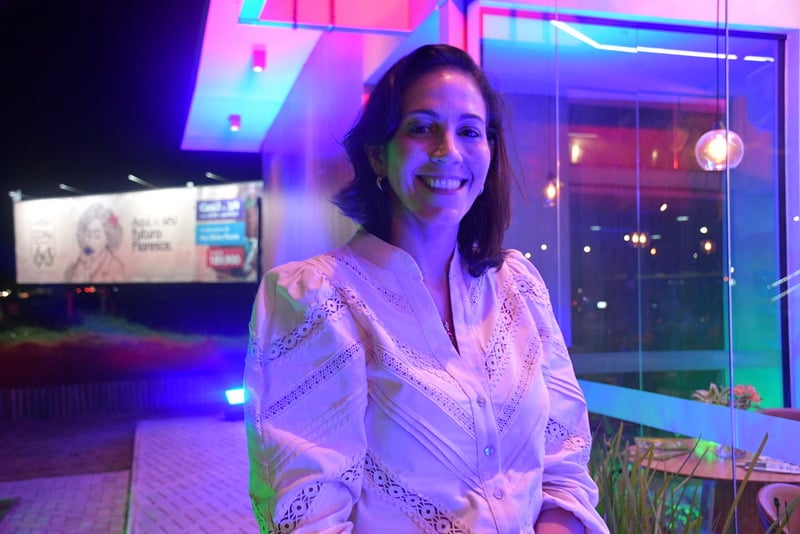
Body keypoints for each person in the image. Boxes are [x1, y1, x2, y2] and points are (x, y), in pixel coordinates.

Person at [244, 43, 609, 533]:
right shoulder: (316, 298)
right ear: (378, 155)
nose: (448, 151)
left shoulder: (519, 286)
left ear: (489, 152)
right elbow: (308, 519)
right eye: (422, 128)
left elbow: (564, 461)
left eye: (469, 131)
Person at [64, 203, 126, 283]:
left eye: (97, 236)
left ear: (108, 237)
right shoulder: (78, 262)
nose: (91, 241)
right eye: (88, 235)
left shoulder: (116, 267)